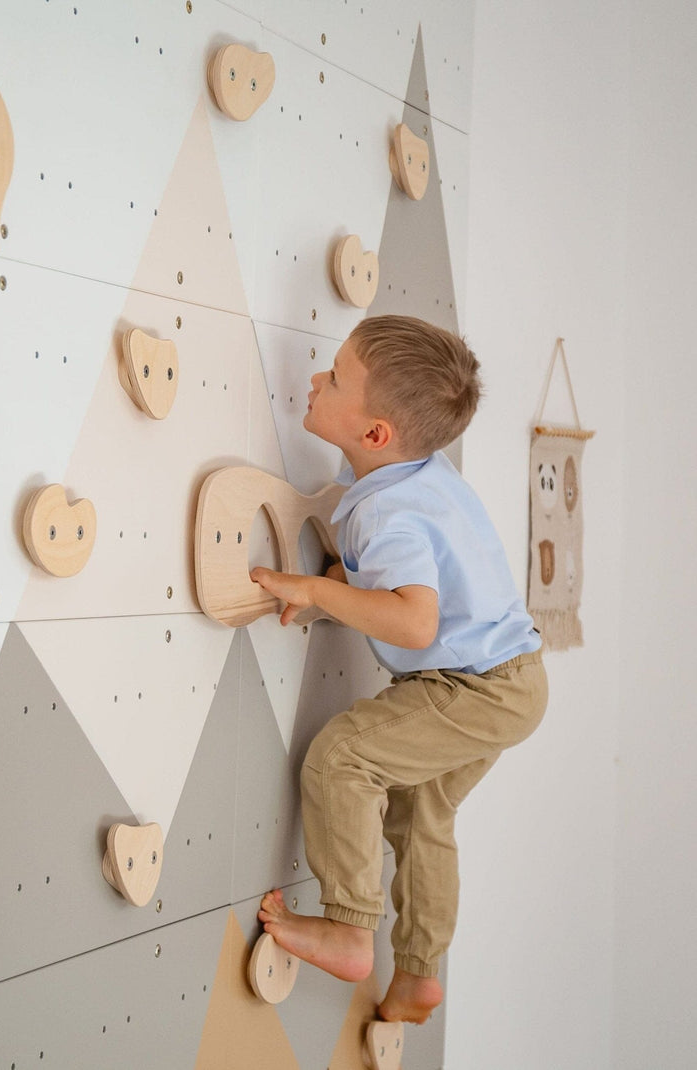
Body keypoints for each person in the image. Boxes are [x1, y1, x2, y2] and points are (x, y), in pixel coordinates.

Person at [251, 315, 547, 1024]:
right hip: (513, 679)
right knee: (421, 813)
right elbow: (410, 582)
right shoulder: (419, 476)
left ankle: (350, 929)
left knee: (343, 760)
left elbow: (414, 621)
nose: (315, 378)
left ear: (376, 433)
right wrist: (339, 588)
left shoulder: (387, 511)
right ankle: (417, 974)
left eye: (335, 378)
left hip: (475, 687)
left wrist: (319, 590)